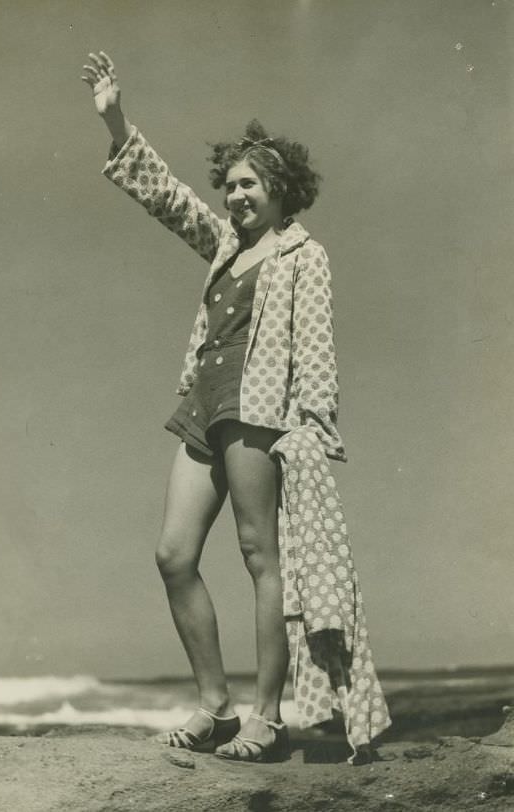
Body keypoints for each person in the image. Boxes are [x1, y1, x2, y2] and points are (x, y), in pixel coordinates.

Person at [82, 51, 391, 764]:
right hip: (204, 403)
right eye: (230, 187)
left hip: (260, 412)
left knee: (259, 556)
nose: (235, 197)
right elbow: (166, 196)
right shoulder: (226, 244)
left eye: (249, 185)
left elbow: (316, 344)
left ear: (282, 191)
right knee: (173, 553)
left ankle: (266, 717)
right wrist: (115, 119)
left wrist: (311, 430)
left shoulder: (302, 255)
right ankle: (214, 705)